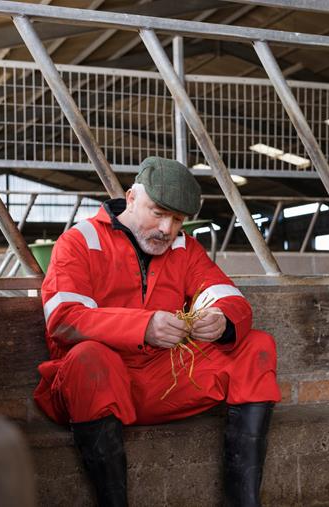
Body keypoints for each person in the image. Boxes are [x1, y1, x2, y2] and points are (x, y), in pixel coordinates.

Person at [33, 157, 281, 506]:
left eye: (178, 219)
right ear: (132, 198)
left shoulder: (185, 248)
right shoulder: (78, 242)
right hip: (95, 386)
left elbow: (228, 297)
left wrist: (222, 320)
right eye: (158, 212)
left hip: (161, 381)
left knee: (256, 345)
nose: (167, 228)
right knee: (89, 358)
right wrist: (142, 326)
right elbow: (63, 319)